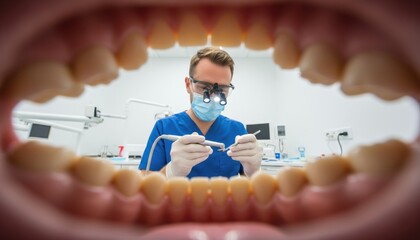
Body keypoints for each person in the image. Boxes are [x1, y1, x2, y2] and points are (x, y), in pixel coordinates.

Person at [139, 46, 263, 178]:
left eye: (222, 89)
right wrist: (171, 171)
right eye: (204, 87)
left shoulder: (237, 130)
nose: (213, 97)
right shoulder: (164, 128)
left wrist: (254, 172)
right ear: (188, 85)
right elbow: (145, 184)